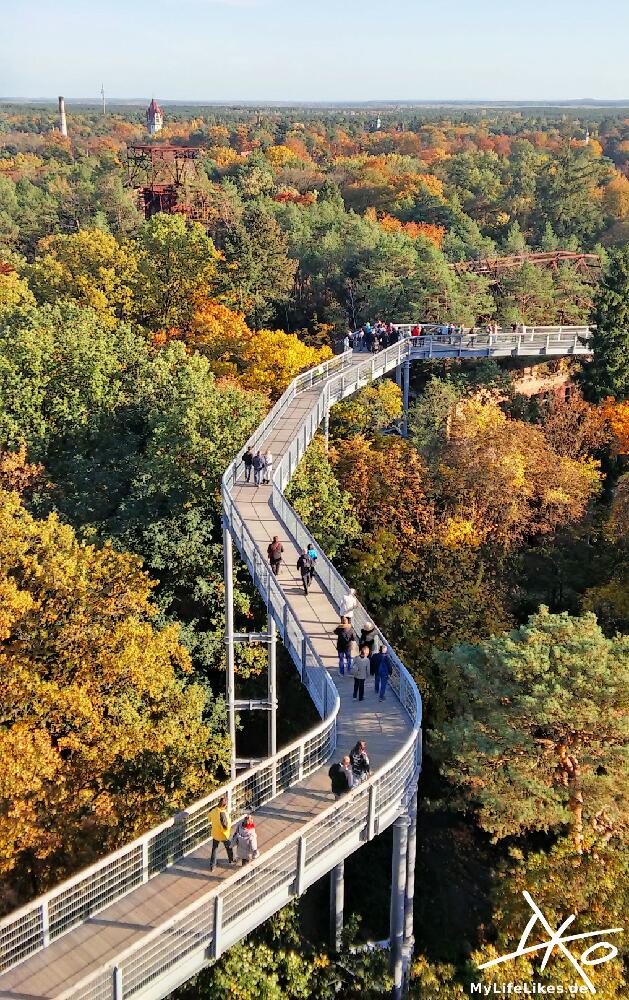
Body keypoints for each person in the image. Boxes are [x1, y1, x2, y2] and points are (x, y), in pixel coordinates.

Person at [209, 795, 235, 870]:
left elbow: (209, 818)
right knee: (229, 847)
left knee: (214, 849)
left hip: (215, 833)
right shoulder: (223, 813)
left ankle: (212, 865)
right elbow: (225, 825)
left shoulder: (213, 810)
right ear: (225, 805)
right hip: (223, 835)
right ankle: (231, 860)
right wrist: (228, 827)